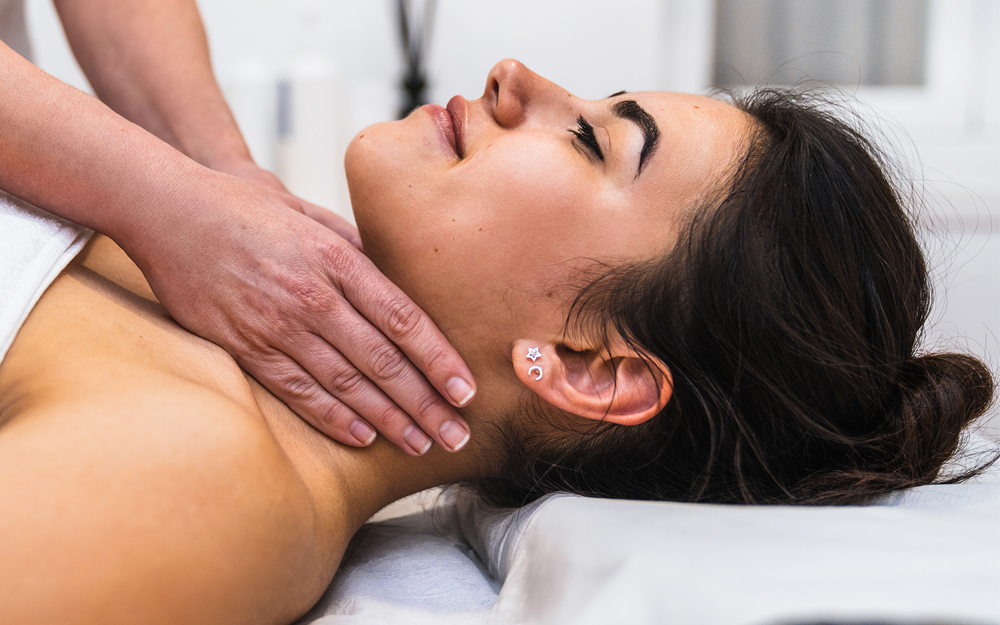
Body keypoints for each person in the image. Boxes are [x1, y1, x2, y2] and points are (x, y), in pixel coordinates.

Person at [0, 59, 994, 623]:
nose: (517, 78)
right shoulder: (190, 250)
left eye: (588, 140)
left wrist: (158, 186)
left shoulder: (213, 480)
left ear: (583, 368)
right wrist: (180, 181)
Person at [0, 0, 477, 456]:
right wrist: (170, 201)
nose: (509, 76)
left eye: (558, 138)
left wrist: (219, 169)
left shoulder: (214, 443)